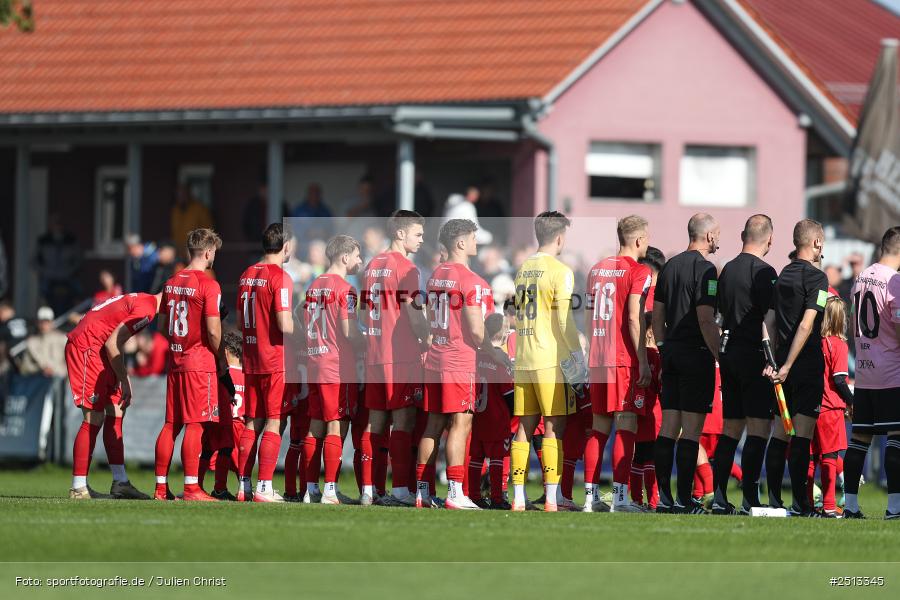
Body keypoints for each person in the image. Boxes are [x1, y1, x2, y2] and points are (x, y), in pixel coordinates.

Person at [416, 219, 491, 509]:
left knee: (433, 425)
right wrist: (492, 346)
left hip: (436, 357)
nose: (476, 242)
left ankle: (422, 491)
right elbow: (476, 330)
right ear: (461, 243)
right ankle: (456, 492)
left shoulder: (436, 274)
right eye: (473, 238)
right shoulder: (468, 279)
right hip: (459, 360)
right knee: (461, 422)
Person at [511, 211, 582, 512]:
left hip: (524, 358)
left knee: (524, 428)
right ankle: (553, 498)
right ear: (560, 237)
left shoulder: (523, 268)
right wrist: (577, 359)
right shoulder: (561, 270)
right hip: (550, 360)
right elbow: (564, 322)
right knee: (554, 426)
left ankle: (518, 497)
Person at [651, 213, 720, 513]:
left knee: (668, 428)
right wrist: (720, 355)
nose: (719, 238)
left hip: (672, 353)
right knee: (691, 432)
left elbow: (656, 314)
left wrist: (664, 346)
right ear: (708, 236)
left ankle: (665, 498)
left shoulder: (669, 266)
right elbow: (706, 318)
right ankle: (683, 499)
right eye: (717, 233)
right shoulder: (707, 270)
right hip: (696, 354)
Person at [359, 210, 429, 507]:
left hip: (374, 353)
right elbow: (415, 316)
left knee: (375, 423)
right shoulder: (407, 268)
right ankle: (400, 490)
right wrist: (428, 336)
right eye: (417, 233)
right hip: (400, 355)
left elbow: (363, 313)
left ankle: (368, 489)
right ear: (400, 233)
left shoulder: (371, 265)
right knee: (403, 420)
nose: (421, 239)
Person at [584, 215, 652, 513]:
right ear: (639, 240)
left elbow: (588, 317)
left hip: (598, 357)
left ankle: (589, 497)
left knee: (598, 428)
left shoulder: (596, 270)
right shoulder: (639, 272)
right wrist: (643, 360)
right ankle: (621, 499)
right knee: (626, 424)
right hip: (623, 359)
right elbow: (635, 318)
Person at [65, 291, 160, 500]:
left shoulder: (143, 300)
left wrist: (119, 373)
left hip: (100, 349)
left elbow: (116, 339)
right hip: (88, 348)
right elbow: (112, 342)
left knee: (117, 409)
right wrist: (125, 379)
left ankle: (120, 482)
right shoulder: (148, 310)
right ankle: (78, 487)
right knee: (93, 417)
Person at [712, 215, 778, 514]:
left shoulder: (726, 270)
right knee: (759, 428)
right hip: (754, 357)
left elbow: (720, 313)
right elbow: (770, 319)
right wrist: (772, 359)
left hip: (729, 354)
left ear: (742, 235)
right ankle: (750, 496)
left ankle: (719, 496)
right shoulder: (765, 272)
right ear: (770, 239)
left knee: (730, 428)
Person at [153, 228, 224, 502]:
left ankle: (161, 487)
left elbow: (162, 326)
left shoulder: (171, 282)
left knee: (171, 424)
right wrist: (220, 358)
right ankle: (192, 487)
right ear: (207, 252)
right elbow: (214, 332)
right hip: (199, 362)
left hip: (176, 360)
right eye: (214, 252)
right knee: (196, 424)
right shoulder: (209, 284)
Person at [763, 219, 829, 517]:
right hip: (804, 365)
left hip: (780, 366)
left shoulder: (782, 275)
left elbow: (770, 321)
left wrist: (772, 360)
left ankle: (775, 500)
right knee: (801, 436)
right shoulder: (819, 279)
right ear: (816, 243)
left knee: (780, 433)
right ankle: (801, 504)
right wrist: (789, 364)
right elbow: (807, 323)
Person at [235, 223, 296, 502]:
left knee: (251, 422)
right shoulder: (280, 276)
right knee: (273, 421)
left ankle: (244, 485)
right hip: (273, 358)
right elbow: (284, 323)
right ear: (285, 246)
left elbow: (238, 321)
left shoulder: (246, 274)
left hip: (251, 357)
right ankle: (264, 487)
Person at [842, 226, 900, 519]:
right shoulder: (895, 281)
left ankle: (850, 505)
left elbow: (853, 325)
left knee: (860, 439)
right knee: (896, 436)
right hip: (891, 371)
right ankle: (895, 506)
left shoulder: (860, 278)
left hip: (865, 372)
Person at [302, 235, 364, 505]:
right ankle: (329, 490)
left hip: (315, 361)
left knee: (315, 426)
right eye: (358, 255)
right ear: (345, 257)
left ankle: (311, 489)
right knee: (337, 425)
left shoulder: (313, 286)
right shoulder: (346, 289)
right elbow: (349, 332)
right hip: (337, 366)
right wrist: (371, 340)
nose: (360, 261)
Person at [630, 247, 666, 509]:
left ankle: (634, 499)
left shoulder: (633, 290)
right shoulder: (653, 294)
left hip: (629, 367)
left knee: (636, 450)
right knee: (647, 451)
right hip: (648, 364)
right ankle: (648, 500)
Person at [468, 313, 514, 509]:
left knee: (476, 458)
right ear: (504, 336)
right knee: (497, 459)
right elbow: (509, 393)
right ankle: (497, 498)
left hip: (477, 416)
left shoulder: (475, 357)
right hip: (497, 418)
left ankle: (473, 496)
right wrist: (513, 412)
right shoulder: (500, 362)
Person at [811, 296, 852, 517]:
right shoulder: (839, 345)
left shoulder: (814, 342)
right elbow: (838, 380)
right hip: (831, 407)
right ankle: (828, 505)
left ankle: (807, 502)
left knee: (811, 456)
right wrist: (851, 401)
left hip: (811, 406)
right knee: (830, 456)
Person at [205, 330, 246, 500]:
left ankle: (206, 486)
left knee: (210, 452)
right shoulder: (247, 375)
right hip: (243, 424)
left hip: (226, 421)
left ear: (226, 351)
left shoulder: (222, 375)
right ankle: (244, 489)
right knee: (241, 463)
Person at [35, 214, 83, 315]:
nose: (57, 227)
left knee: (77, 291)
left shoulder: (71, 240)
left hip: (67, 275)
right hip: (49, 276)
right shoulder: (43, 240)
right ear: (50, 226)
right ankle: (44, 320)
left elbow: (78, 259)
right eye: (54, 224)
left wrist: (70, 270)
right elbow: (34, 260)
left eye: (59, 224)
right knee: (43, 295)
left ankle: (75, 317)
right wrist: (44, 270)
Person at [17, 306, 67, 377]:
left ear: (51, 322)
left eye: (47, 322)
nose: (44, 325)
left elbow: (70, 363)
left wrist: (57, 370)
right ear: (37, 323)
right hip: (40, 381)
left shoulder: (63, 339)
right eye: (41, 322)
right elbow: (25, 368)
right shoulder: (31, 342)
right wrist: (40, 369)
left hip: (60, 379)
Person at [170, 184, 214, 251]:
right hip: (178, 251)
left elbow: (208, 230)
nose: (181, 197)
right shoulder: (175, 210)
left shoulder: (199, 209)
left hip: (195, 251)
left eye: (183, 194)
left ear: (189, 194)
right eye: (178, 194)